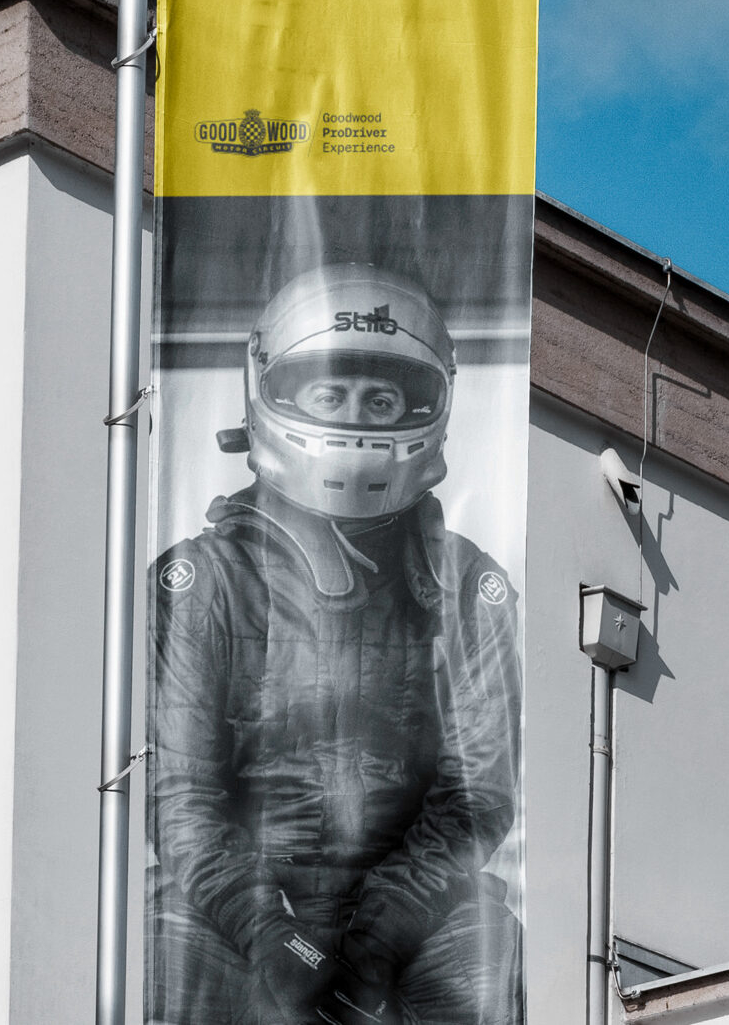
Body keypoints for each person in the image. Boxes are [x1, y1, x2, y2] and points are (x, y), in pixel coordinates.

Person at [150, 262, 525, 1025]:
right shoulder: (206, 579)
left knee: (490, 958)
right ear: (272, 391)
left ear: (428, 407)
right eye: (330, 392)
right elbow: (181, 797)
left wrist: (379, 936)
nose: (357, 415)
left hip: (414, 899)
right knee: (171, 958)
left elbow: (478, 791)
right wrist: (268, 932)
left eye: (382, 398)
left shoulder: (465, 587)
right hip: (242, 894)